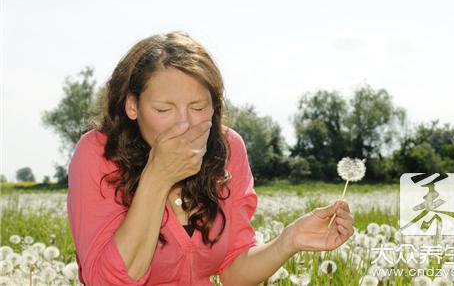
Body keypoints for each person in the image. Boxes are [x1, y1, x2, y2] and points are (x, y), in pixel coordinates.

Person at [66, 31, 354, 286]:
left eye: (198, 107)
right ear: (132, 106)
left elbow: (233, 271)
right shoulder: (98, 154)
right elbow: (106, 281)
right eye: (164, 110)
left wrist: (289, 241)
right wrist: (157, 178)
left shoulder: (228, 149)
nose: (184, 125)